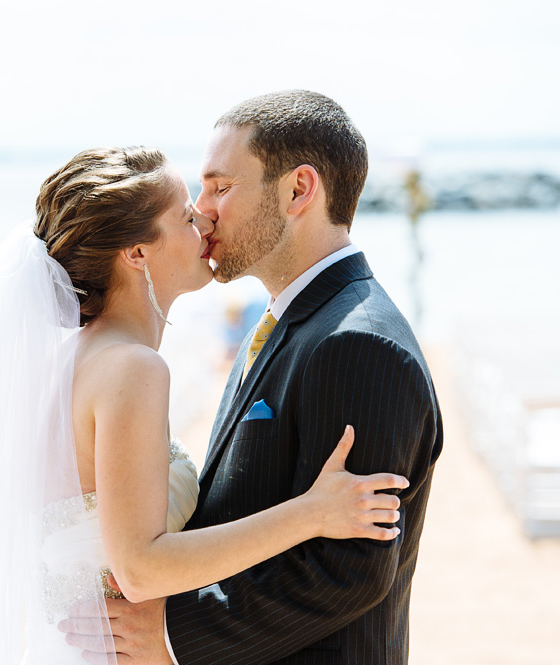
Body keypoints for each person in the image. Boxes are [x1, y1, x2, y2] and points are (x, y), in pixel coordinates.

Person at [0, 145, 410, 665]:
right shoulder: (133, 369)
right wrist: (311, 514)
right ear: (137, 253)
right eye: (183, 215)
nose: (204, 219)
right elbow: (139, 567)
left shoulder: (73, 358)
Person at [61, 91, 443, 665]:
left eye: (220, 187)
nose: (203, 209)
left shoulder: (359, 343)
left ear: (298, 191)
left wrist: (171, 635)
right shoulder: (280, 323)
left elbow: (348, 570)